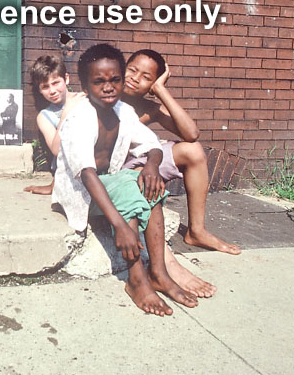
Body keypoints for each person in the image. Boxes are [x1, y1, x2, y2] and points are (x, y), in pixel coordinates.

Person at [53, 43, 199, 315]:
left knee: (148, 184)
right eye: (99, 82)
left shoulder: (124, 111)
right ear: (85, 85)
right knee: (127, 188)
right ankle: (136, 280)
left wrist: (152, 166)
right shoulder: (79, 117)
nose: (108, 87)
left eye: (115, 80)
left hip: (110, 182)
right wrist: (120, 225)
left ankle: (158, 272)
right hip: (82, 191)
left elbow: (152, 144)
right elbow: (86, 174)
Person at [121, 49, 241, 255]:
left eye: (146, 77)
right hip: (111, 171)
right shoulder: (103, 94)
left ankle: (197, 231)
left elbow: (192, 133)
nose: (135, 78)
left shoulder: (149, 108)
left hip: (137, 162)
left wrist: (160, 90)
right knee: (141, 167)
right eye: (132, 70)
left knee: (192, 150)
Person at [23, 55, 85, 195]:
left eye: (56, 83)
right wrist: (65, 114)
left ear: (66, 79)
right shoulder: (45, 116)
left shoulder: (83, 99)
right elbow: (56, 150)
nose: (52, 91)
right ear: (39, 90)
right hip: (68, 171)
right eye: (45, 87)